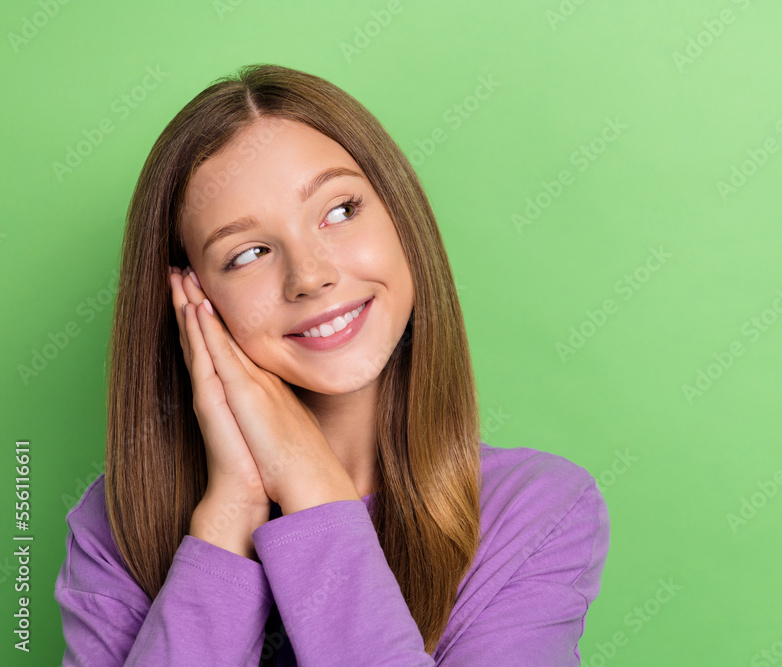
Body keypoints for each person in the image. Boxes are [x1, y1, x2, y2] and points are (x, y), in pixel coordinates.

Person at [54, 63, 610, 666]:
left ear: (401, 218)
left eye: (340, 211)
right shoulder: (117, 526)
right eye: (248, 253)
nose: (311, 274)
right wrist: (231, 513)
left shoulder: (537, 513)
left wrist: (312, 490)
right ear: (193, 298)